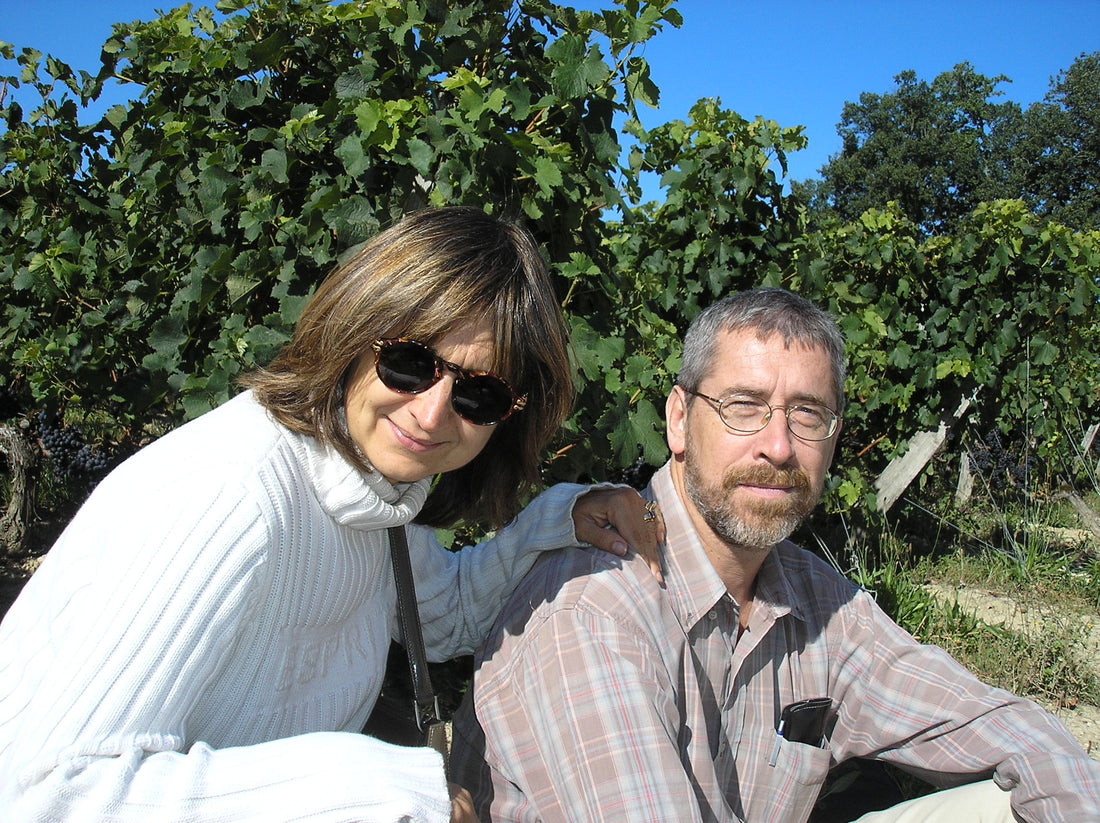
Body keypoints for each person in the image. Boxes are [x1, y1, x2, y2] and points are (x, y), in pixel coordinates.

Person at [0, 206, 661, 823]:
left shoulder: (381, 492)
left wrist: (560, 517)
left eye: (478, 393)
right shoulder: (232, 496)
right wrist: (372, 787)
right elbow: (51, 789)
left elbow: (444, 614)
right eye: (409, 362)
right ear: (353, 332)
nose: (431, 414)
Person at [450, 287, 1100, 822]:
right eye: (744, 407)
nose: (780, 446)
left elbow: (1005, 724)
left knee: (1012, 803)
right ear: (679, 419)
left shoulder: (816, 598)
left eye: (808, 414)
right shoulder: (592, 601)